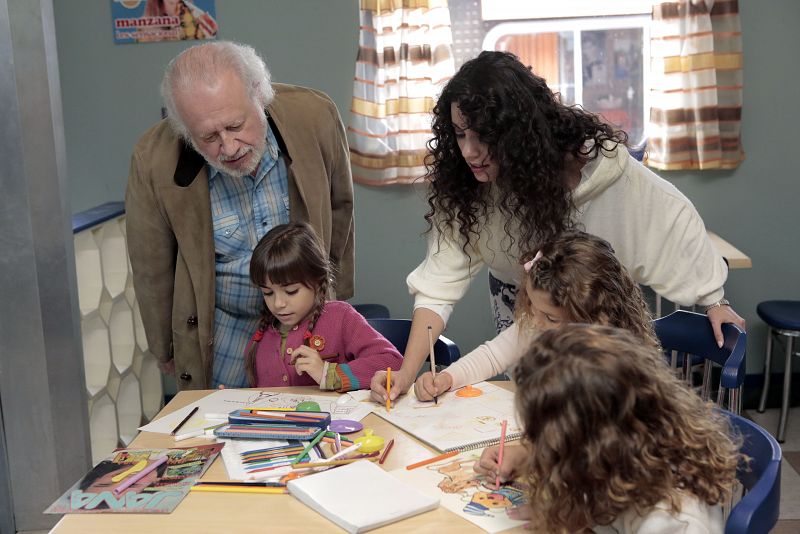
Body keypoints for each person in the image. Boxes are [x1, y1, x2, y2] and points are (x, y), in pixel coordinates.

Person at [371, 50, 744, 402]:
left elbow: (669, 216)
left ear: (519, 134)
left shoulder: (610, 180)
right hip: (527, 297)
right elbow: (449, 298)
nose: (468, 151)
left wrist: (714, 298)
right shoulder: (530, 307)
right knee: (535, 394)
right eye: (459, 133)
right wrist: (408, 373)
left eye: (482, 134)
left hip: (594, 328)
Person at [126, 41, 354, 390]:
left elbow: (341, 207)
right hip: (223, 327)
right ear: (185, 130)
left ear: (259, 96)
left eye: (235, 126)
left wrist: (335, 298)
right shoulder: (152, 159)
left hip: (308, 316)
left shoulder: (315, 117)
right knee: (222, 434)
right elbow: (150, 264)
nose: (229, 148)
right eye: (208, 137)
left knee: (314, 419)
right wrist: (165, 345)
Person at [476, 324, 740, 532]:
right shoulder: (625, 454)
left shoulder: (675, 523)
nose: (534, 443)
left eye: (542, 436)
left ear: (589, 442)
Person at [414, 231, 658, 401]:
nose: (537, 323)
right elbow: (492, 355)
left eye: (551, 319)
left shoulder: (618, 369)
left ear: (595, 320)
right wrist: (447, 378)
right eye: (532, 306)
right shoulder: (539, 322)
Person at [244, 222, 402, 390]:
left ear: (318, 281)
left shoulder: (341, 317)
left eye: (291, 291)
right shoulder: (260, 340)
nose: (278, 304)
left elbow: (393, 362)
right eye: (268, 293)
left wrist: (331, 374)